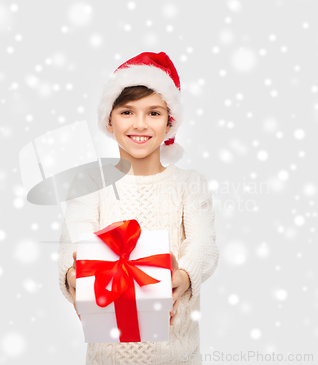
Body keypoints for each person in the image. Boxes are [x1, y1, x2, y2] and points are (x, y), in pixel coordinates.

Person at [58, 52, 219, 365]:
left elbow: (203, 247)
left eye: (154, 113)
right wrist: (72, 273)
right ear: (109, 118)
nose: (140, 124)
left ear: (170, 121)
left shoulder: (190, 184)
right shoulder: (89, 183)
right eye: (127, 112)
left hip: (176, 357)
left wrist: (182, 277)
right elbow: (72, 243)